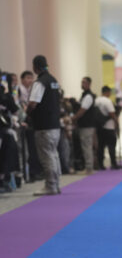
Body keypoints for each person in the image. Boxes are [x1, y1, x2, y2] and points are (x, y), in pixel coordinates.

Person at [26, 55, 62, 196]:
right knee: (54, 155)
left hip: (44, 126)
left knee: (47, 156)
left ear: (35, 67)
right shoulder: (53, 81)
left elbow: (33, 103)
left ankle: (50, 186)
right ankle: (56, 184)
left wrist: (27, 113)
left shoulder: (40, 82)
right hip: (54, 124)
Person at [72, 77, 95, 174]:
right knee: (86, 145)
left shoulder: (89, 96)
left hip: (87, 125)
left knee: (87, 146)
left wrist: (74, 118)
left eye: (84, 82)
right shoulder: (84, 95)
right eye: (82, 82)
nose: (82, 84)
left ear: (89, 84)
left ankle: (89, 167)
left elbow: (83, 110)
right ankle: (88, 167)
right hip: (84, 125)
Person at [95, 86, 120, 170]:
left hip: (99, 126)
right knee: (112, 145)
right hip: (109, 127)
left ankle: (100, 164)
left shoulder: (96, 100)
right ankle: (113, 163)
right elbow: (112, 113)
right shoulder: (107, 101)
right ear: (107, 92)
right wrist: (116, 123)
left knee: (101, 146)